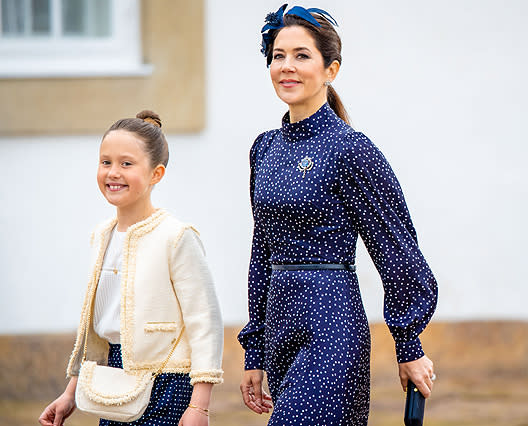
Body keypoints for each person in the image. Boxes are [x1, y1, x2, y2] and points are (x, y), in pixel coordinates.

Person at [237, 5, 438, 425]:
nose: (286, 67)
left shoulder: (351, 149)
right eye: (278, 56)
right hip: (280, 329)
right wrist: (253, 350)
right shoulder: (264, 149)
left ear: (331, 70)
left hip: (331, 328)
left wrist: (408, 343)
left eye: (301, 55)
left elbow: (395, 246)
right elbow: (261, 251)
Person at [39, 111, 224, 426]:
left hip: (167, 382)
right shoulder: (101, 236)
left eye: (126, 164)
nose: (113, 172)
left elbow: (205, 323)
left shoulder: (176, 236)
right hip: (112, 378)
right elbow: (98, 329)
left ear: (156, 174)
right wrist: (71, 392)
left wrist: (200, 407)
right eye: (105, 162)